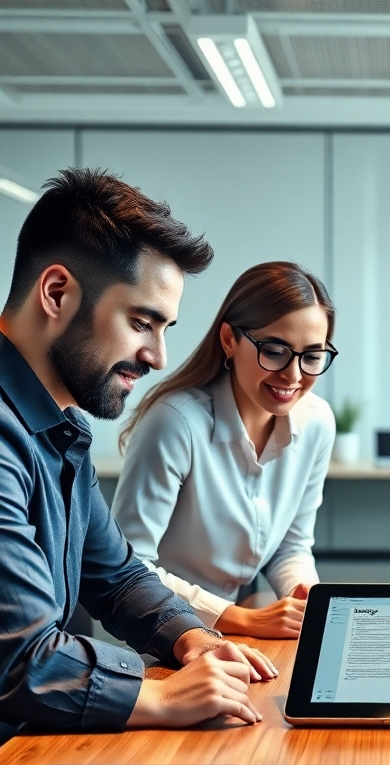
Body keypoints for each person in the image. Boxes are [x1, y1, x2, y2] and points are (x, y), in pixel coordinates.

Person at [0, 168, 277, 765]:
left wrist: (192, 639)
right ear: (57, 293)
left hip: (36, 759)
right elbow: (23, 664)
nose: (158, 357)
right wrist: (159, 691)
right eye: (143, 322)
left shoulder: (53, 425)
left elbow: (115, 577)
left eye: (165, 329)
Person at [113, 263, 336, 639]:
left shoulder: (317, 422)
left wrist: (305, 597)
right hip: (164, 633)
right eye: (275, 350)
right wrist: (239, 618)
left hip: (241, 632)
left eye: (312, 356)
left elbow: (291, 546)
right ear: (230, 339)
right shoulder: (175, 422)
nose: (294, 376)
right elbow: (130, 566)